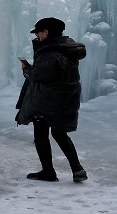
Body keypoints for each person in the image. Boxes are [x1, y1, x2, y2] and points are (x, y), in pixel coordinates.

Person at [15, 17, 88, 183]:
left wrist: (27, 69)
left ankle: (48, 171)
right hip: (64, 99)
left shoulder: (50, 53)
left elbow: (37, 76)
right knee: (60, 133)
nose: (38, 36)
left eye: (39, 33)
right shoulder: (67, 49)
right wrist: (39, 48)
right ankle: (77, 169)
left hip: (47, 100)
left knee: (41, 134)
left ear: (46, 32)